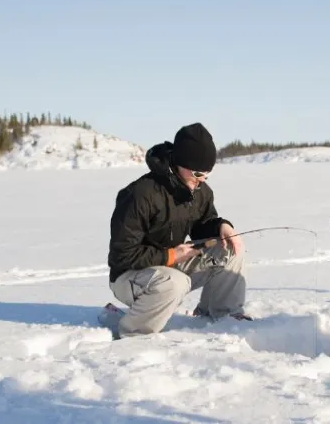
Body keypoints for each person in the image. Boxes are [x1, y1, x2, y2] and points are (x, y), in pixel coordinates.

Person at [99, 123, 251, 339]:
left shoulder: (200, 191)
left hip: (170, 265)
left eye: (207, 175)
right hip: (128, 276)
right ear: (181, 162)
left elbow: (202, 226)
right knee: (173, 283)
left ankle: (222, 316)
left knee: (230, 248)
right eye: (198, 173)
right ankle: (132, 332)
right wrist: (170, 255)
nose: (201, 181)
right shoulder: (140, 194)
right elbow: (122, 254)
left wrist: (221, 226)